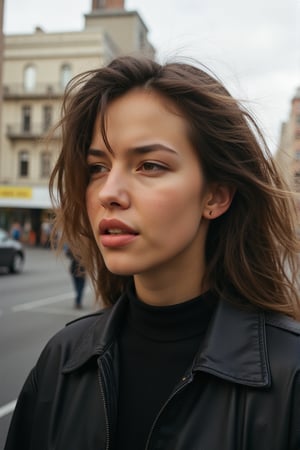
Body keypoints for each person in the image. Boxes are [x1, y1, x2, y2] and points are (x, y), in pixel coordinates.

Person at [4, 55, 300, 450]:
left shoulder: (290, 375)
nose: (109, 192)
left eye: (149, 165)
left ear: (215, 195)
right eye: (97, 167)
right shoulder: (61, 360)